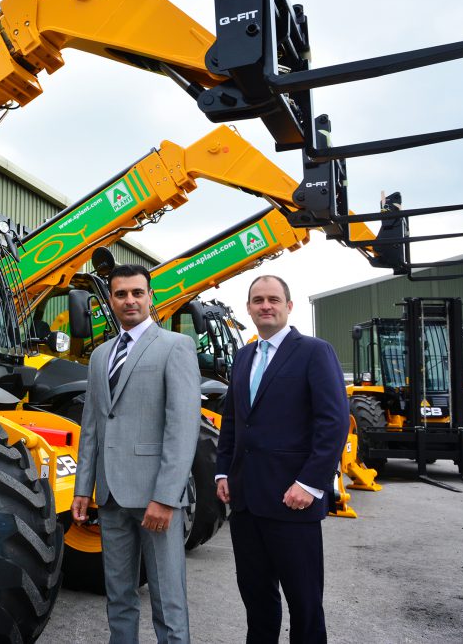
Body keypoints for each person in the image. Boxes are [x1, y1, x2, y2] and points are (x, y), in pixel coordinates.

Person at [71, 263, 201, 644]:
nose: (129, 300)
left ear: (150, 297)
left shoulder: (175, 347)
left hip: (154, 497)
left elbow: (182, 428)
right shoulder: (99, 356)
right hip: (110, 496)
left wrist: (166, 496)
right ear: (110, 300)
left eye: (137, 293)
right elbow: (93, 426)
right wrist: (83, 488)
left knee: (167, 598)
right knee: (119, 595)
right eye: (121, 294)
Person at [215, 275, 348, 644]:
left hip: (293, 500)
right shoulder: (244, 356)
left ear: (289, 306)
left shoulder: (313, 351)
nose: (265, 306)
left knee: (304, 603)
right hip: (246, 502)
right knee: (257, 600)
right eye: (258, 300)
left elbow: (333, 422)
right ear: (249, 308)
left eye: (273, 299)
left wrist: (309, 483)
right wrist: (223, 470)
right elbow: (232, 420)